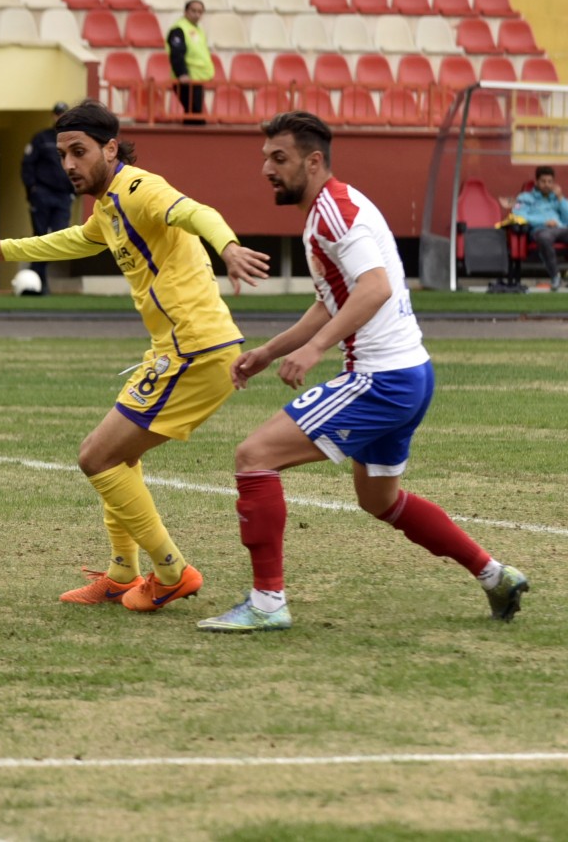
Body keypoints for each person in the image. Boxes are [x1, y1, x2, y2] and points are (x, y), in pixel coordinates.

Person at [198, 112, 530, 633]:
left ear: (313, 161)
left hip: (381, 380)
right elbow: (333, 301)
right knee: (380, 500)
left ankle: (267, 603)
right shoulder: (335, 207)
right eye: (265, 158)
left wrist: (314, 351)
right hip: (411, 374)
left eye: (279, 158)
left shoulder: (333, 214)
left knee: (254, 457)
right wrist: (269, 352)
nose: (267, 169)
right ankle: (495, 575)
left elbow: (374, 288)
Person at [0, 99, 271, 613]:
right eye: (62, 154)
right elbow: (78, 241)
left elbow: (197, 212)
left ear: (110, 148)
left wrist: (228, 247)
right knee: (116, 456)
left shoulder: (140, 189)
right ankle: (123, 573)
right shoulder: (108, 207)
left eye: (78, 152)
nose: (69, 164)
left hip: (195, 352)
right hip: (175, 351)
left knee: (96, 457)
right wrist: (5, 249)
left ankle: (171, 571)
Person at [20, 101, 75, 295]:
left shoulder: (74, 140)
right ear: (54, 116)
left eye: (64, 114)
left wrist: (74, 191)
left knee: (58, 237)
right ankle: (39, 283)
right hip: (42, 194)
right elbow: (27, 165)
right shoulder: (42, 138)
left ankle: (34, 273)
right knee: (41, 236)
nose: (60, 117)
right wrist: (32, 190)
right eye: (58, 114)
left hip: (63, 196)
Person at [512, 165, 568, 290]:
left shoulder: (557, 199)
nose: (546, 185)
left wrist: (561, 198)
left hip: (560, 229)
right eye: (543, 181)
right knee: (544, 237)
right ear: (536, 182)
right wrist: (544, 222)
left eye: (550, 182)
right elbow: (518, 216)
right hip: (540, 230)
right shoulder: (525, 198)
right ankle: (555, 277)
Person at [166, 0, 212, 126]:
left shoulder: (198, 29)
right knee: (195, 115)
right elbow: (176, 53)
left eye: (200, 12)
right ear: (186, 11)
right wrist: (182, 73)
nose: (197, 14)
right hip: (186, 79)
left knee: (193, 115)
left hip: (196, 79)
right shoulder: (179, 29)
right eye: (193, 11)